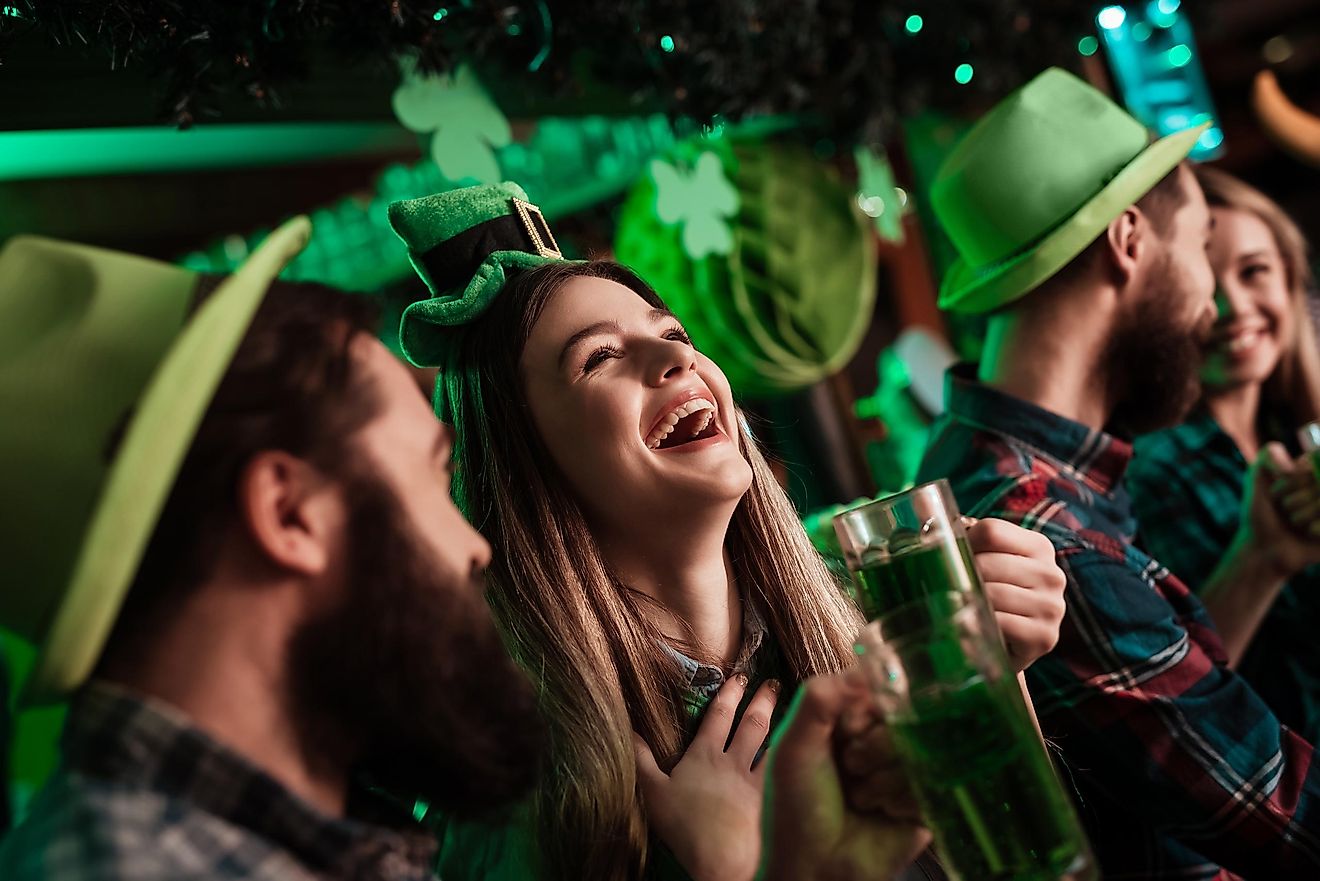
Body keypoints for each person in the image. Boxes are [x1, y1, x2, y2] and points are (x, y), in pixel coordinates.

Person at [0, 224, 941, 881]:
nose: (472, 543)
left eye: (673, 334)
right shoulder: (140, 861)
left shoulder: (290, 833)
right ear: (288, 513)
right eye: (423, 476)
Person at [385, 183, 1069, 880]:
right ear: (523, 464)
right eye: (599, 357)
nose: (676, 360)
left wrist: (988, 672)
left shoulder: (869, 630)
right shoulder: (521, 798)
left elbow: (1026, 864)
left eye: (673, 334)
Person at [916, 66, 1320, 879]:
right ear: (1130, 240)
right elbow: (1289, 818)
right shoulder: (1039, 522)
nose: (1213, 304)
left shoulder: (994, 465)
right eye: (1202, 248)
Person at [1128, 166, 1320, 738]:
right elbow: (1171, 697)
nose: (1232, 306)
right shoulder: (1149, 469)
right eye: (1204, 281)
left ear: (1289, 277)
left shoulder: (1295, 430)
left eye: (1254, 271)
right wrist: (1262, 557)